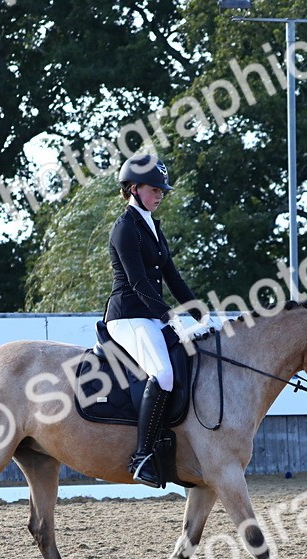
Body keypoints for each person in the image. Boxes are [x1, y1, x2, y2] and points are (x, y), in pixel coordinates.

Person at [105, 154, 215, 487]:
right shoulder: (125, 228)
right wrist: (170, 317)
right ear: (134, 188)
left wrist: (200, 311)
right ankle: (141, 457)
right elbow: (138, 283)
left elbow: (173, 277)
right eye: (155, 189)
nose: (160, 195)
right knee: (163, 373)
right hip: (127, 317)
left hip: (150, 315)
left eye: (162, 190)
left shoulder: (153, 226)